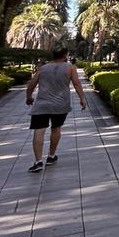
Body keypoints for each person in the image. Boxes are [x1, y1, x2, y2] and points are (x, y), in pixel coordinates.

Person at [25, 46, 87, 174]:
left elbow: (31, 84)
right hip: (60, 104)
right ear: (65, 55)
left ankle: (38, 162)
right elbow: (76, 83)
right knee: (56, 128)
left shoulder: (43, 68)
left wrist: (29, 97)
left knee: (39, 131)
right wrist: (82, 98)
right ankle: (51, 156)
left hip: (41, 105)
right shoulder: (70, 67)